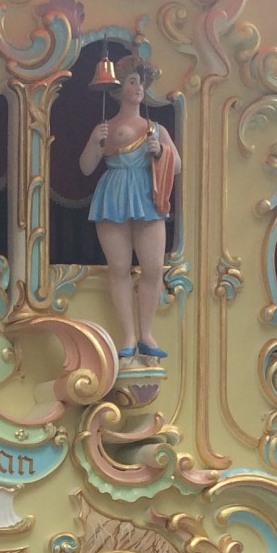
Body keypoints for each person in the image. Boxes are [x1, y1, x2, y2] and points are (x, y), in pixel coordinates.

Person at [78, 58, 179, 363]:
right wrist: (94, 142)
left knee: (153, 267)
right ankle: (128, 336)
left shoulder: (156, 129)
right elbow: (86, 167)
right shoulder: (106, 128)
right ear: (120, 88)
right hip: (114, 194)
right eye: (132, 82)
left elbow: (177, 166)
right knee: (119, 267)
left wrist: (161, 151)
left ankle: (146, 333)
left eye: (141, 83)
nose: (138, 88)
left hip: (146, 196)